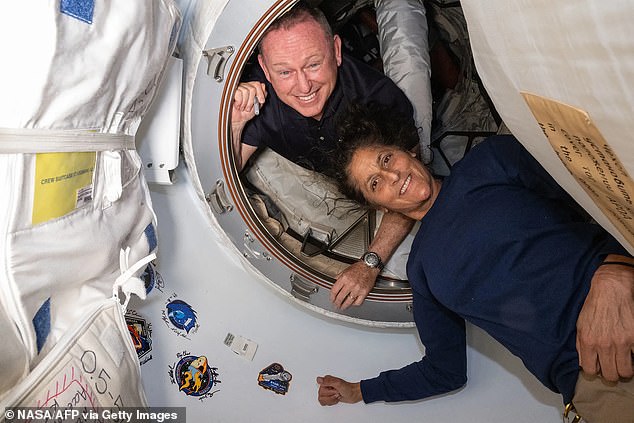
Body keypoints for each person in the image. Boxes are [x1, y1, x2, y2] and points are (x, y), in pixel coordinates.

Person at [316, 104, 634, 423]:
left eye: (386, 159)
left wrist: (617, 269)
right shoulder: (422, 270)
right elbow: (444, 371)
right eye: (375, 183)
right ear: (378, 206)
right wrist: (360, 391)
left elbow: (604, 193)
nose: (392, 175)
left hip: (623, 302)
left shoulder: (490, 161)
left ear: (407, 150)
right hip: (595, 380)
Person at [231, 2, 421, 309]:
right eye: (284, 71)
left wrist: (369, 263)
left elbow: (411, 187)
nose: (303, 85)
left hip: (376, 183)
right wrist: (237, 121)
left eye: (313, 65)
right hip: (320, 176)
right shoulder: (260, 99)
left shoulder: (378, 99)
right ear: (265, 69)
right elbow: (229, 169)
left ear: (335, 50)